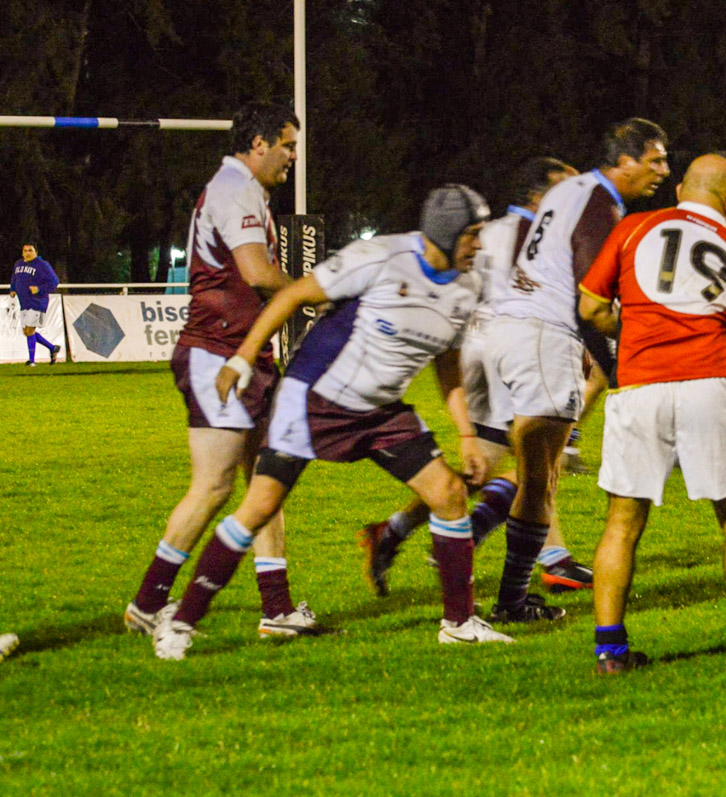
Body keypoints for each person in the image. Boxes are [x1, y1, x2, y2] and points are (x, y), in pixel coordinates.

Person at [153, 184, 509, 660]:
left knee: (448, 495)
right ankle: (180, 624)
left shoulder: (466, 286)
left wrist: (465, 433)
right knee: (258, 508)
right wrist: (242, 358)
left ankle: (459, 625)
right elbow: (291, 296)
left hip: (380, 411)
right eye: (472, 234)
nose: (479, 244)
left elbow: (448, 362)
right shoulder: (380, 257)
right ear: (446, 232)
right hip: (313, 399)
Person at [358, 157, 595, 596]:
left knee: (488, 463)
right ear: (536, 196)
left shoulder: (490, 233)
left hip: (481, 348)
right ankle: (490, 536)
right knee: (541, 456)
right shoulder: (540, 236)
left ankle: (394, 531)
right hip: (516, 349)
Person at [125, 102, 313, 639]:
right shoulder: (234, 189)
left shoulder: (243, 190)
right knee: (213, 486)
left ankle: (276, 609)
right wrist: (314, 293)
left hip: (244, 353)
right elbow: (256, 271)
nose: (292, 157)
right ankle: (147, 605)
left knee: (266, 483)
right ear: (259, 144)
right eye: (288, 146)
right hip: (218, 353)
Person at [579, 153, 726, 672]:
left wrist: (632, 330)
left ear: (682, 189)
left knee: (622, 523)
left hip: (641, 385)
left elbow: (591, 307)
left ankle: (609, 650)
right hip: (711, 384)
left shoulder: (635, 228)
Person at [483, 118, 670, 623]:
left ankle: (500, 575)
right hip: (542, 336)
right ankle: (509, 600)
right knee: (539, 479)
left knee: (529, 471)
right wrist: (626, 355)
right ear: (624, 160)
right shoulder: (598, 202)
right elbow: (592, 296)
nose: (663, 171)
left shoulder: (574, 191)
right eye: (655, 160)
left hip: (515, 329)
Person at [9, 244, 61, 366]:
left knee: (30, 330)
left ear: (36, 252)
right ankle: (52, 348)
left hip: (38, 302)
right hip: (24, 303)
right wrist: (12, 289)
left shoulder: (42, 265)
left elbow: (54, 282)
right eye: (25, 251)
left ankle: (32, 361)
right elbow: (14, 277)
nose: (27, 253)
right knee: (27, 332)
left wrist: (39, 289)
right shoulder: (18, 264)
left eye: (30, 250)